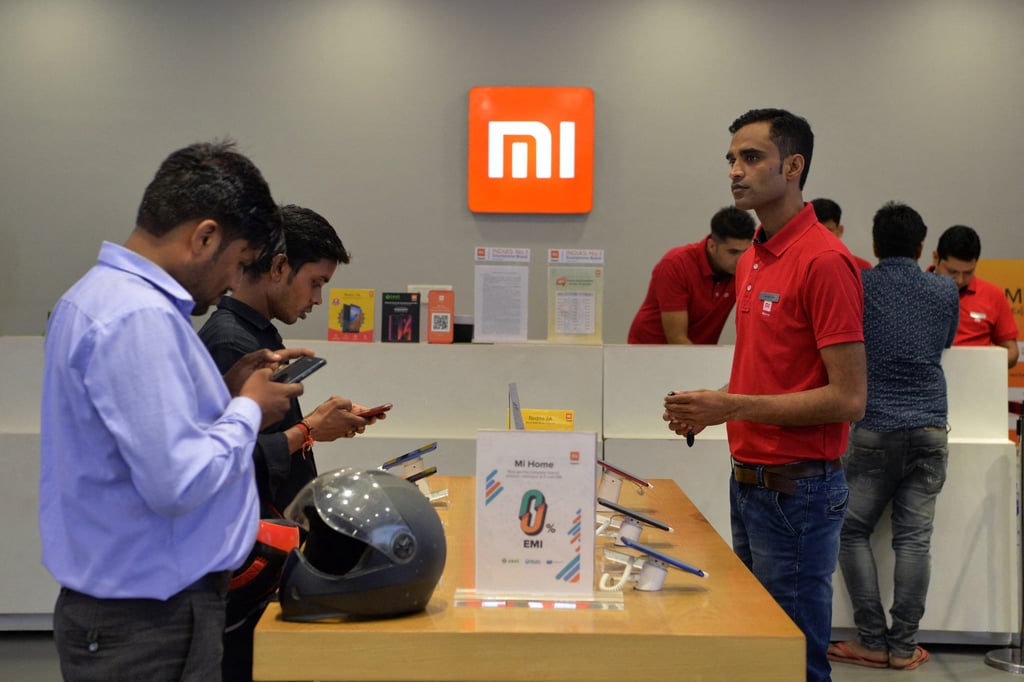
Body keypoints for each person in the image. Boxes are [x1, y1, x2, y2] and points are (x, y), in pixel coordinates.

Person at [39, 141, 309, 680]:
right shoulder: (137, 317)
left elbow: (139, 443)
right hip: (149, 622)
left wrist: (227, 393)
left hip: (140, 611)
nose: (234, 283)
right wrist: (250, 410)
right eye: (237, 263)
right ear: (204, 236)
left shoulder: (98, 297)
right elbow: (178, 483)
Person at [663, 109, 866, 682]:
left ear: (793, 166)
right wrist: (713, 404)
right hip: (749, 483)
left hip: (798, 491)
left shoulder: (825, 261)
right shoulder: (751, 257)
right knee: (758, 654)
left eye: (751, 158)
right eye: (731, 158)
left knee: (794, 663)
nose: (735, 170)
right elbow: (770, 374)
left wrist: (730, 406)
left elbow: (849, 399)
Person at [198, 204, 380, 682]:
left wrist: (315, 428)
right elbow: (227, 464)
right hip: (246, 556)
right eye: (316, 281)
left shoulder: (255, 335)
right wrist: (309, 431)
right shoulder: (230, 342)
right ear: (279, 267)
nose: (319, 298)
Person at [826, 202, 958, 672]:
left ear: (875, 246)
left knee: (849, 530)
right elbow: (945, 343)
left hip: (875, 429)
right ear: (924, 247)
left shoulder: (861, 286)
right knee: (915, 543)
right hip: (930, 428)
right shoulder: (944, 290)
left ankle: (870, 639)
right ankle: (903, 647)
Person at [627, 206, 755, 344]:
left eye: (746, 252)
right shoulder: (676, 265)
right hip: (647, 351)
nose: (741, 260)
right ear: (712, 246)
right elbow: (677, 339)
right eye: (733, 252)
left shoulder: (745, 267)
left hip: (695, 352)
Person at [931, 224, 1019, 368]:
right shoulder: (915, 291)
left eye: (968, 273)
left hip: (977, 384)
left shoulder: (993, 295)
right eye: (952, 272)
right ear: (936, 258)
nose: (959, 280)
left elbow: (1012, 351)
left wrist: (981, 365)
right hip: (925, 384)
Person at [811, 197, 873, 269]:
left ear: (840, 231)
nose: (821, 238)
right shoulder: (798, 266)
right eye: (815, 232)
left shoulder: (861, 267)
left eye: (828, 231)